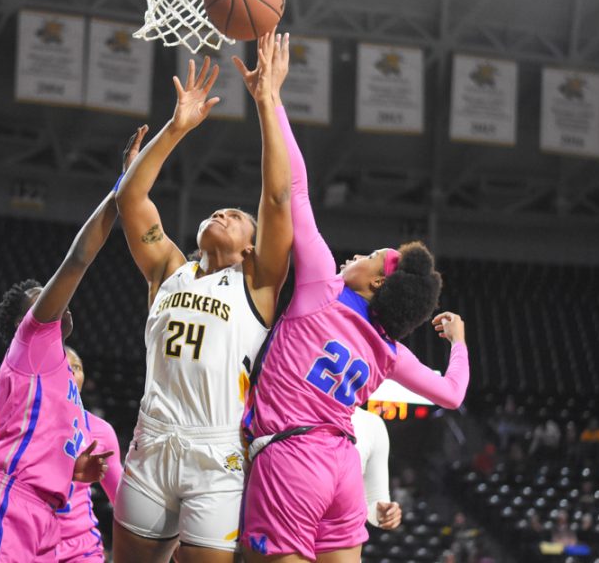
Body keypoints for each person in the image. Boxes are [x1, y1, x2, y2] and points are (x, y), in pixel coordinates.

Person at [239, 33, 470, 563]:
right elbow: (451, 395)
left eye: (372, 255)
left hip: (291, 459)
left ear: (378, 282)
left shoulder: (324, 286)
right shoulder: (387, 349)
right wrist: (458, 341)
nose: (359, 256)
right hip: (343, 468)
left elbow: (294, 188)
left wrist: (270, 99)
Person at [112, 35, 292, 563]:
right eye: (219, 210)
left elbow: (278, 196)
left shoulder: (257, 285)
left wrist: (267, 103)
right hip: (152, 440)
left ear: (253, 248)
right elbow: (131, 196)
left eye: (237, 215)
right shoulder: (168, 268)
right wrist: (177, 127)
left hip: (216, 455)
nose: (223, 212)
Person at [0, 126, 141, 563]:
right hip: (3, 505)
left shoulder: (59, 379)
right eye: (42, 297)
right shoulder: (31, 341)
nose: (55, 298)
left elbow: (33, 442)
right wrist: (121, 191)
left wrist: (72, 472)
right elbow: (78, 259)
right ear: (22, 322)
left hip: (43, 516)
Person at [56, 346, 122, 562]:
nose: (72, 372)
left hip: (80, 547)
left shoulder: (101, 430)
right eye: (65, 366)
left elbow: (121, 498)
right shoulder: (26, 419)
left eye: (77, 367)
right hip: (30, 541)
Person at [351, 407, 400, 531]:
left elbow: (375, 499)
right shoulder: (296, 411)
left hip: (340, 533)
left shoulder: (371, 423)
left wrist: (384, 514)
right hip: (296, 528)